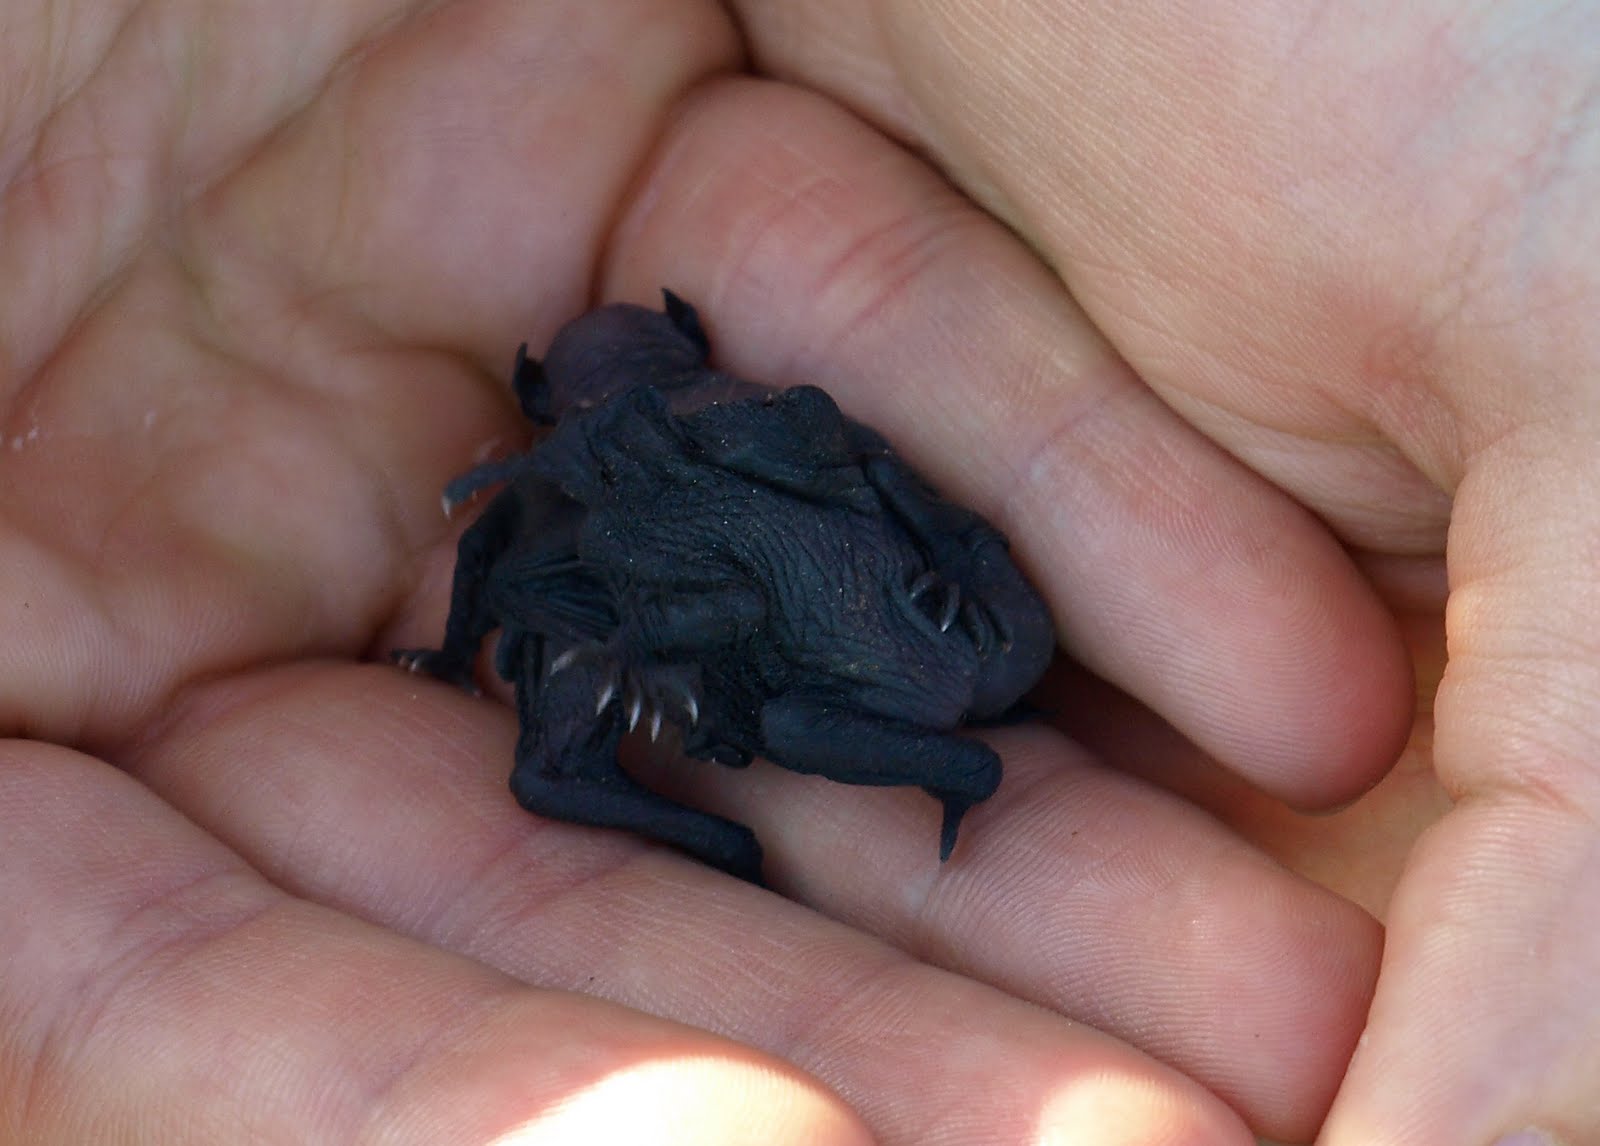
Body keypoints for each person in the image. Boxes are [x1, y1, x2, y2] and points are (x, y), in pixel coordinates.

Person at [0, 3, 1591, 1143]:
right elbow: (816, 464)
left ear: (572, 396)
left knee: (642, 725)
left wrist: (544, 577)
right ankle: (883, 767)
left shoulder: (599, 476)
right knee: (729, 681)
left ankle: (863, 778)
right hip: (913, 638)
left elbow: (589, 519)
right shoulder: (703, 433)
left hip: (864, 662)